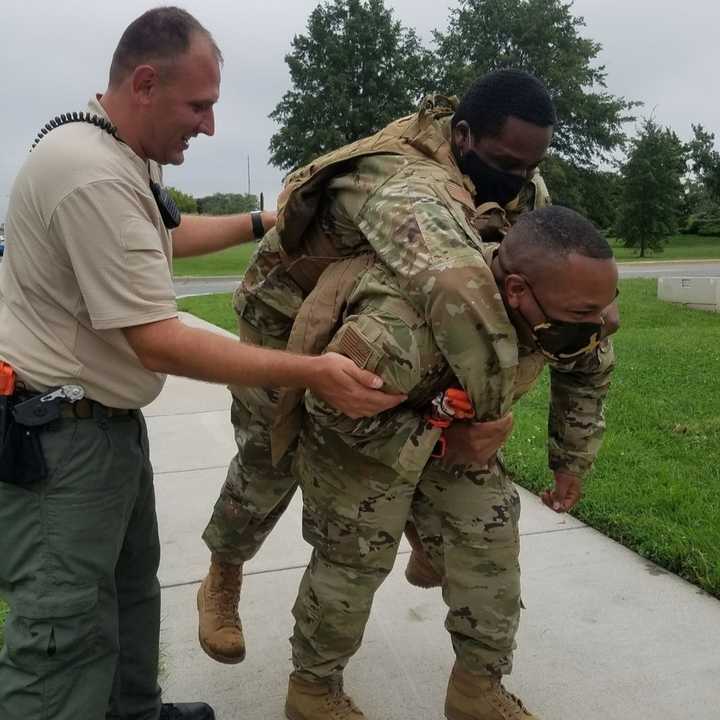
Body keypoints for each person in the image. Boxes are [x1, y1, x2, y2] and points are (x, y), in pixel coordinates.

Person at [0, 8, 400, 720]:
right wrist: (308, 371)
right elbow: (157, 339)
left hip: (102, 425)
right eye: (200, 106)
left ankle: (135, 712)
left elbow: (166, 237)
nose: (209, 126)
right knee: (60, 632)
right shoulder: (90, 172)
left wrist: (262, 224)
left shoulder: (123, 154)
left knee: (129, 592)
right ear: (145, 83)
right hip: (59, 441)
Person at [198, 70, 560, 663]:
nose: (522, 181)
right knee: (270, 457)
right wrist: (492, 413)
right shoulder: (402, 181)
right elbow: (459, 286)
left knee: (407, 441)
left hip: (377, 322)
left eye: (532, 166)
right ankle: (223, 575)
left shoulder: (513, 176)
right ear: (463, 136)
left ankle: (423, 536)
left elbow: (537, 265)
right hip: (284, 324)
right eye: (510, 164)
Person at [285, 206, 617, 720]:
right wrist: (440, 440)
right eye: (583, 314)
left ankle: (475, 690)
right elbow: (331, 413)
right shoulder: (401, 328)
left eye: (603, 307)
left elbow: (589, 369)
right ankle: (311, 689)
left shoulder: (570, 312)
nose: (596, 324)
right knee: (352, 561)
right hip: (357, 443)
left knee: (491, 537)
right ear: (517, 292)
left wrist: (570, 460)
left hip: (451, 432)